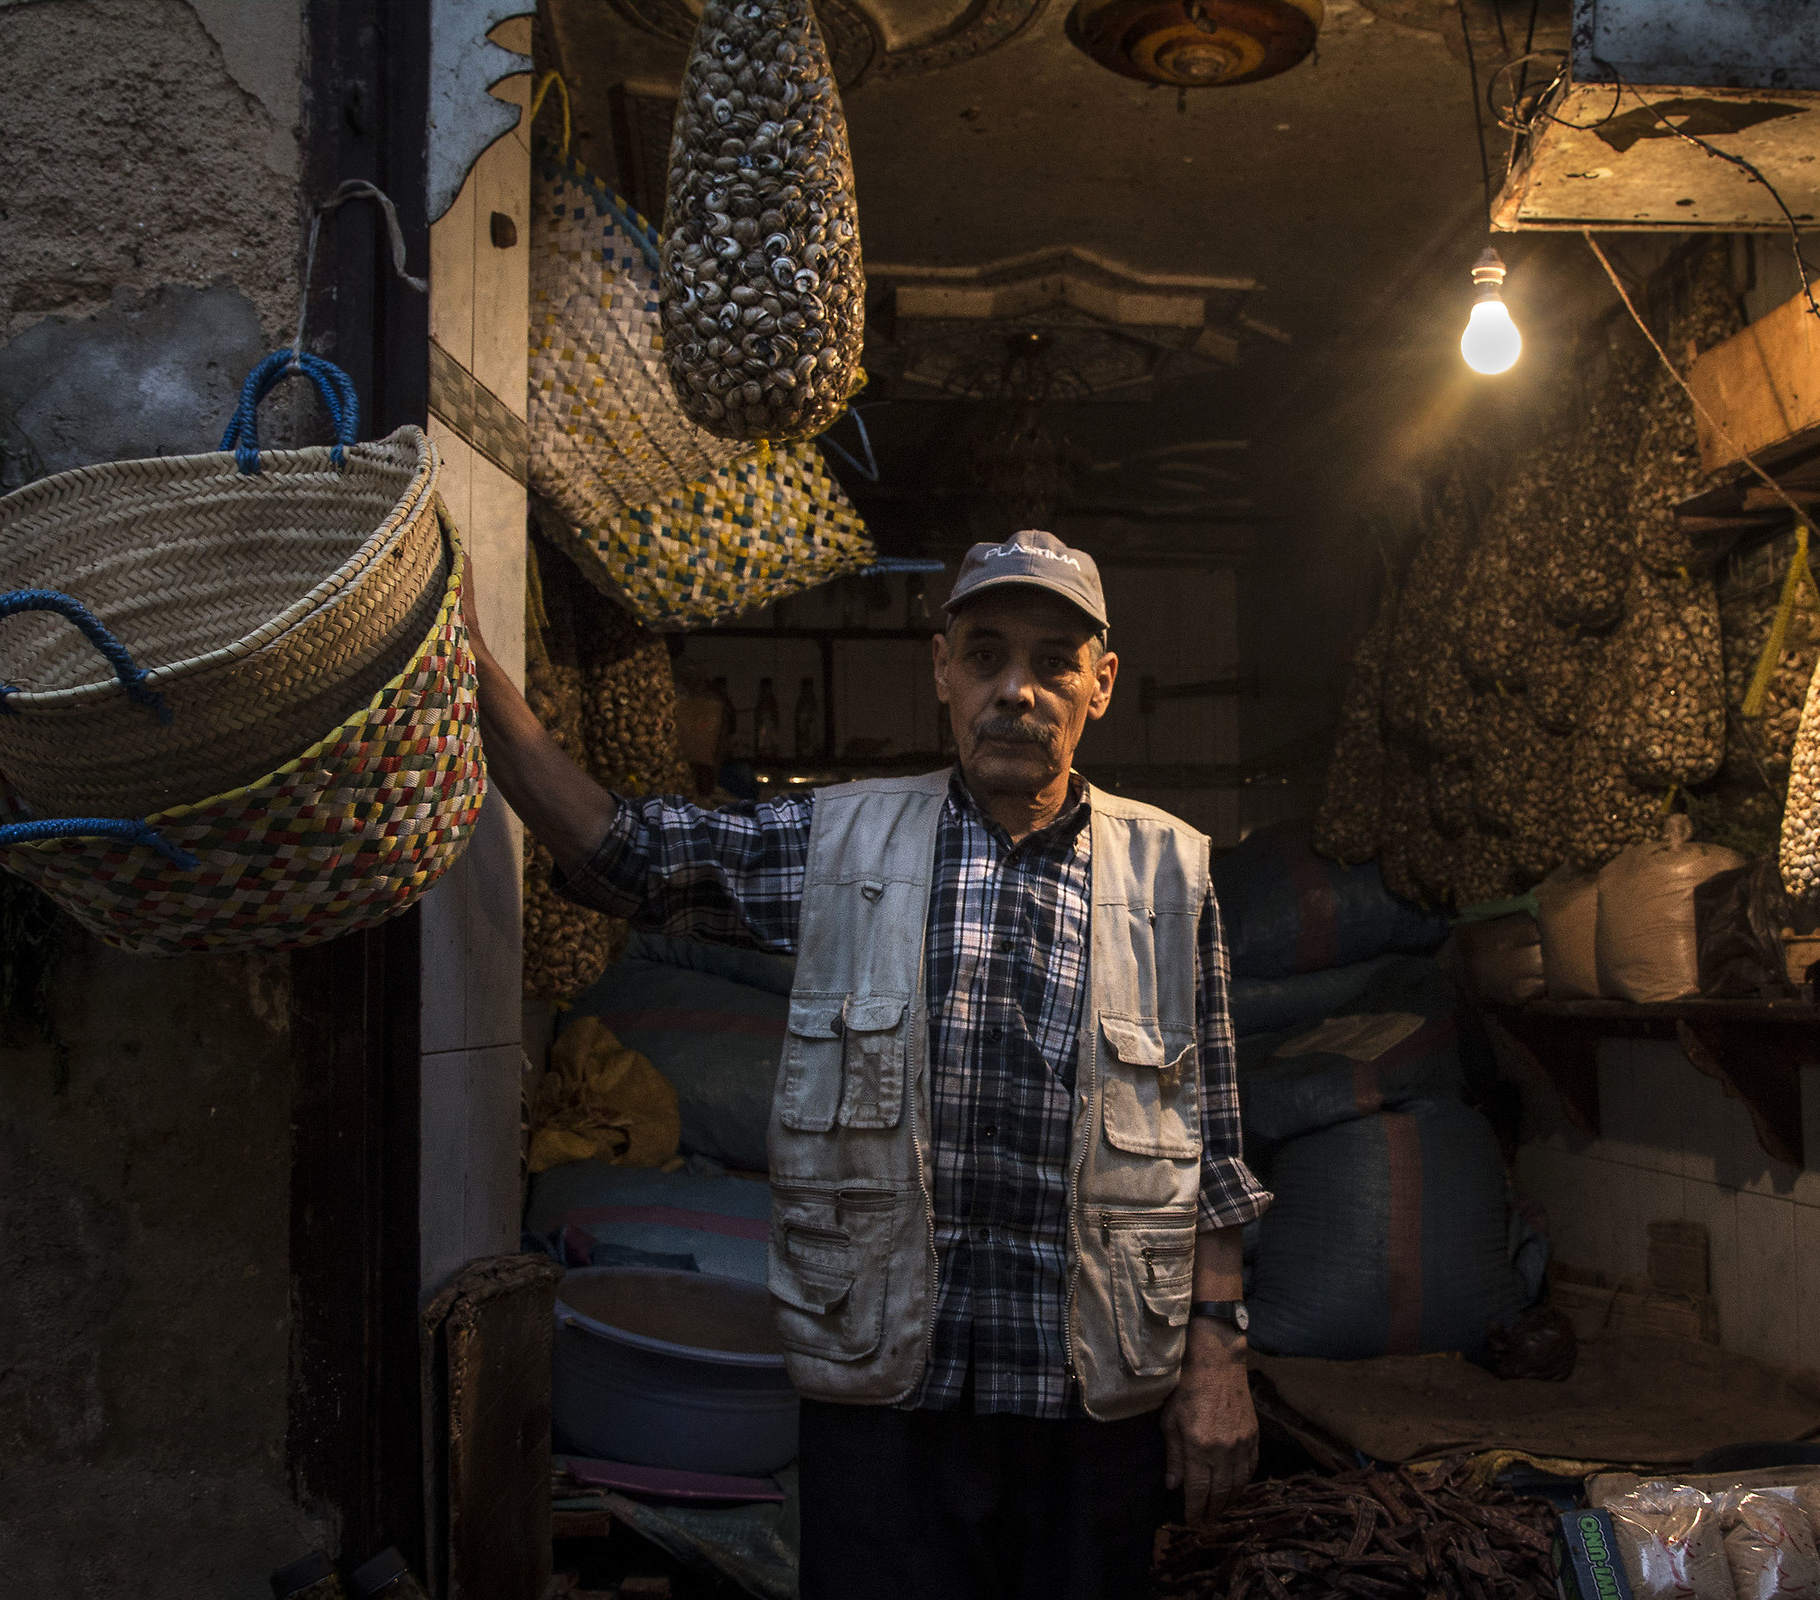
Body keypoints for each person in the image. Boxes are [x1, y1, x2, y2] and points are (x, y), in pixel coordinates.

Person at [469, 529, 1269, 1598]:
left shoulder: (1171, 871)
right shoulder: (843, 841)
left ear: (1102, 684)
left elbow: (1212, 1139)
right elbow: (628, 851)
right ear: (942, 670)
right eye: (985, 655)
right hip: (886, 1404)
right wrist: (475, 678)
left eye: (1052, 661)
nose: (1016, 690)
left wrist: (1217, 1353)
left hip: (1090, 1406)